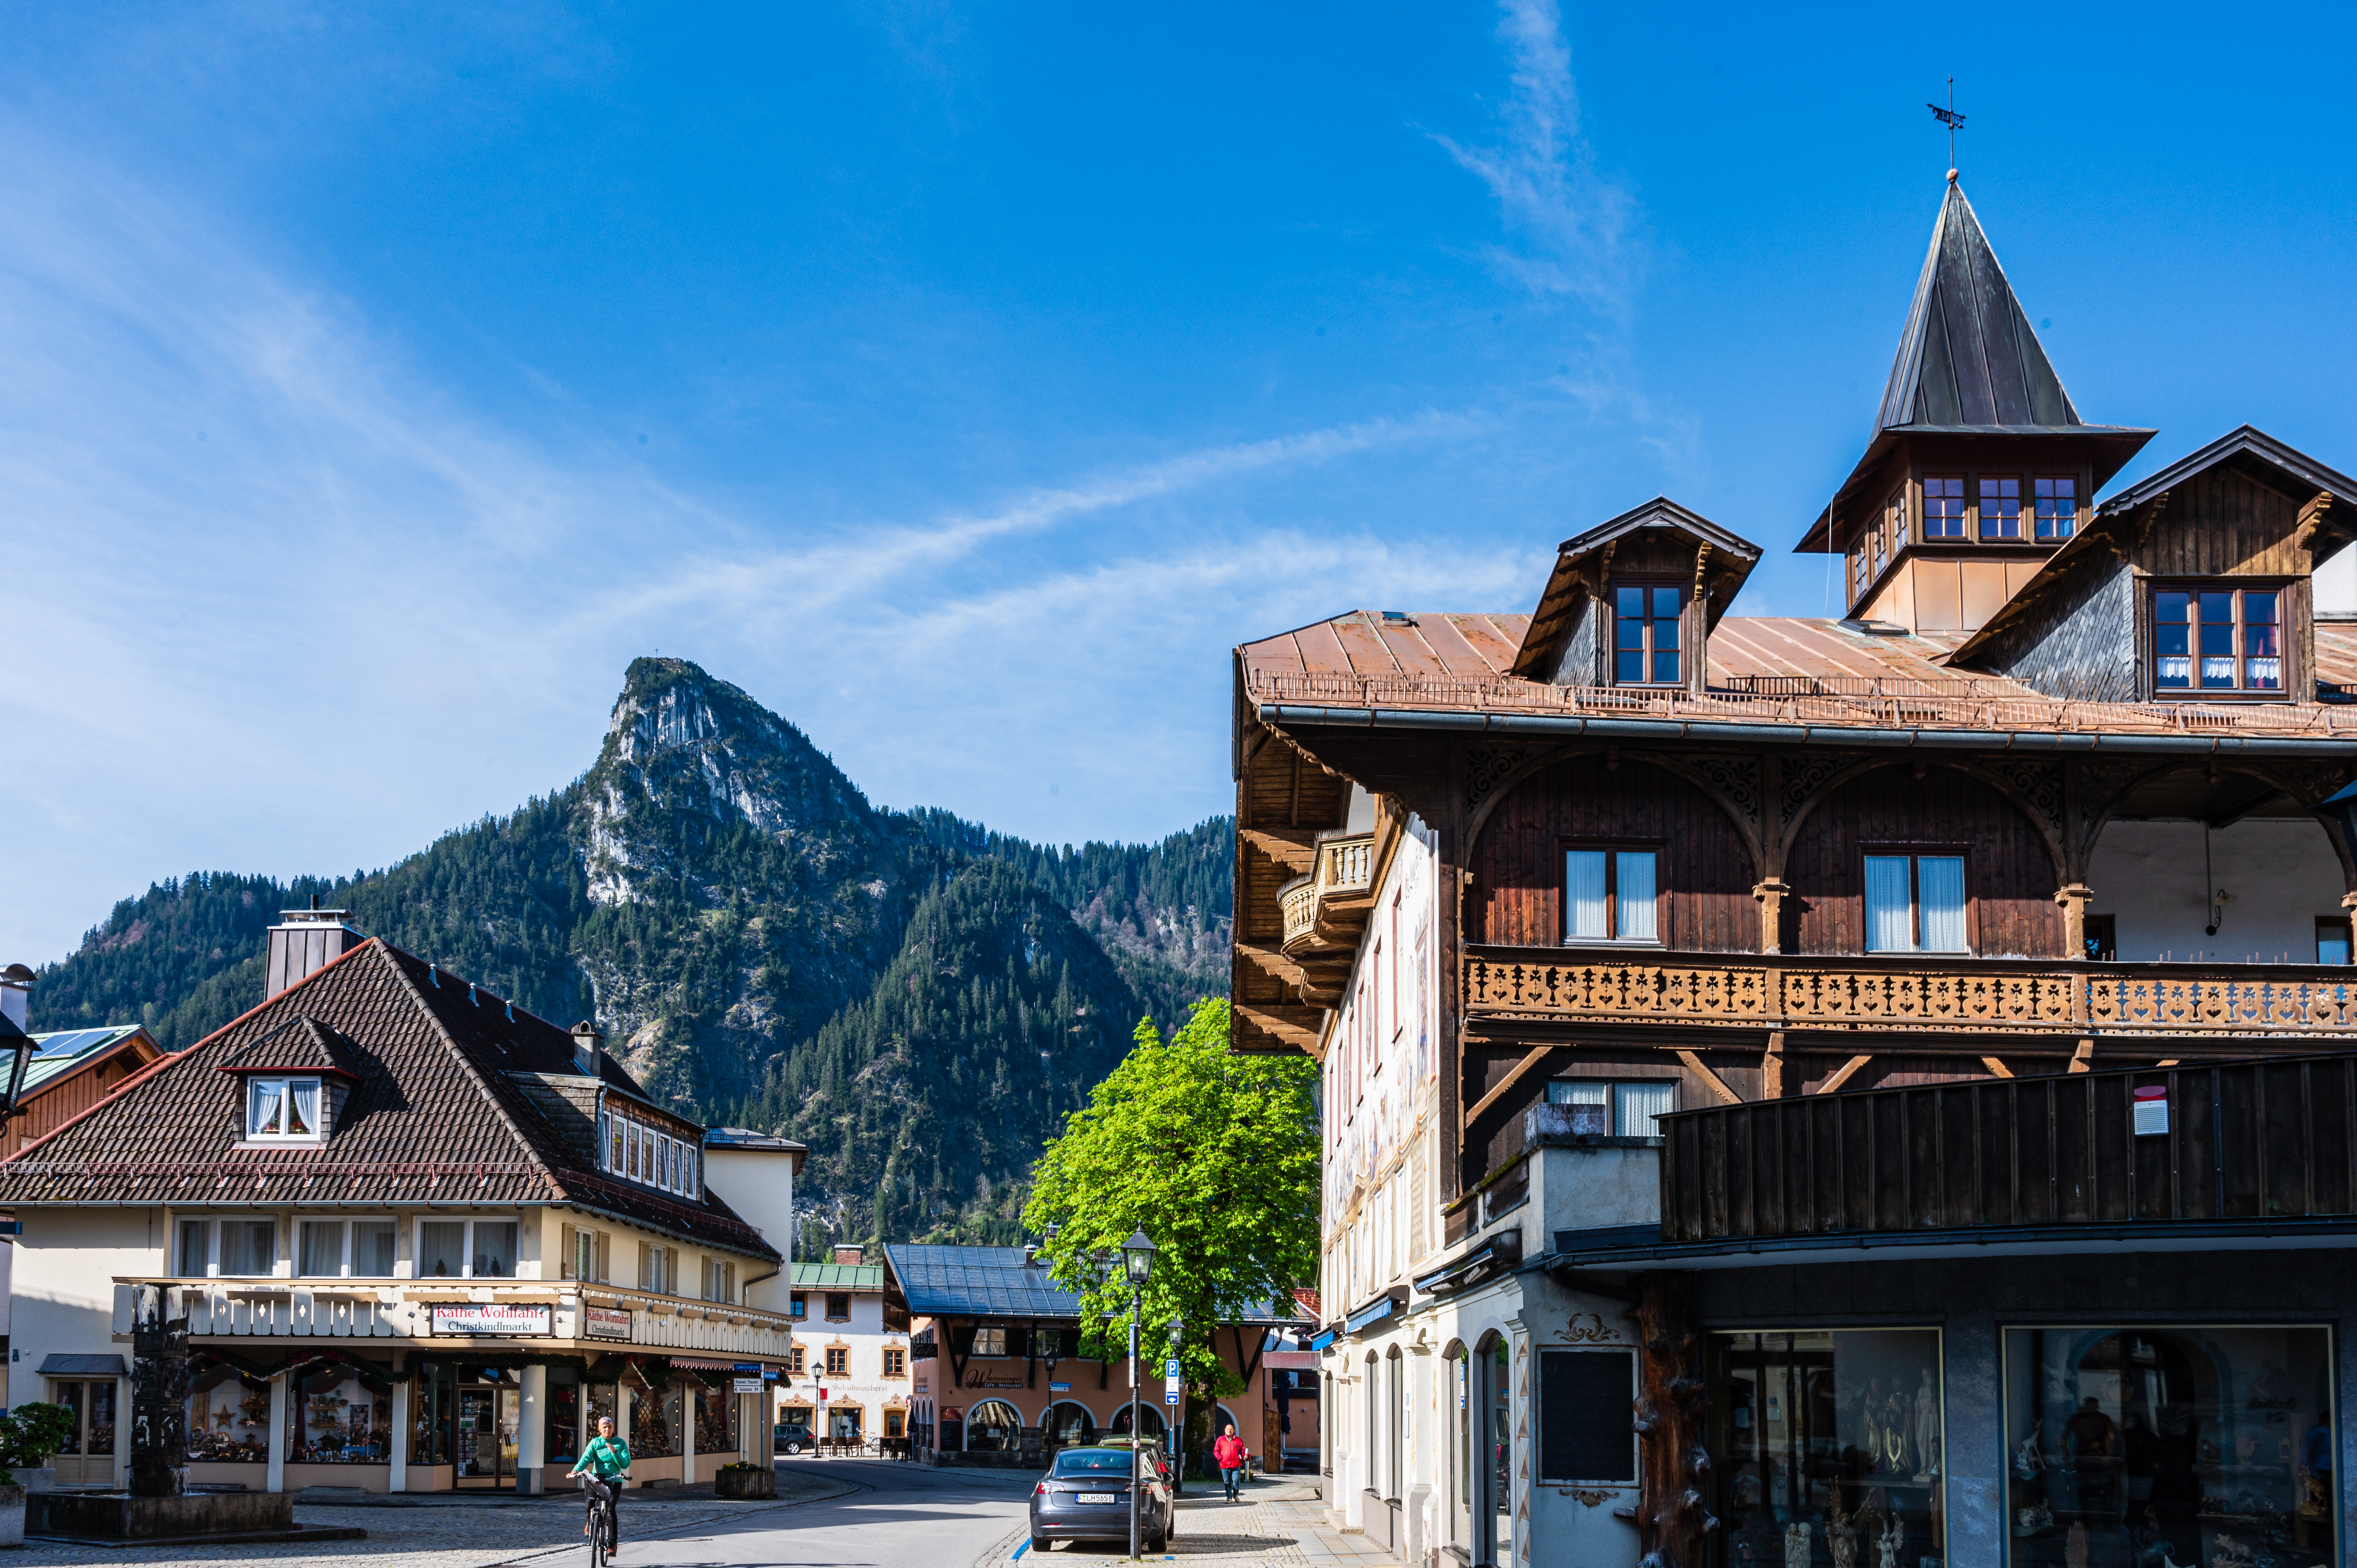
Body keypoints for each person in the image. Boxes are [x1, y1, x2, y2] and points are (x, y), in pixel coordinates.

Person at [569, 1413, 632, 1548]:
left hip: (614, 1481)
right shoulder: (595, 1443)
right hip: (598, 1479)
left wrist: (615, 1452)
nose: (607, 1430)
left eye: (609, 1427)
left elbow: (626, 1464)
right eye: (604, 1427)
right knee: (589, 1503)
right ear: (600, 1430)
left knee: (610, 1510)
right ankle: (589, 1521)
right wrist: (576, 1470)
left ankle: (612, 1543)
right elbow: (586, 1459)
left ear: (613, 1428)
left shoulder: (620, 1443)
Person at [1213, 1422, 1249, 1502]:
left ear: (1233, 1431)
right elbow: (1216, 1451)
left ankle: (1236, 1495)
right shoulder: (1220, 1440)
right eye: (1228, 1429)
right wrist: (1220, 1458)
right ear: (1225, 1430)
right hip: (1225, 1465)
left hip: (1236, 1465)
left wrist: (1244, 1457)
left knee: (1236, 1480)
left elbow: (1243, 1450)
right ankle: (1229, 1498)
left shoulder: (1239, 1440)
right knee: (1227, 1482)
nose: (1229, 1431)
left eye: (1231, 1429)